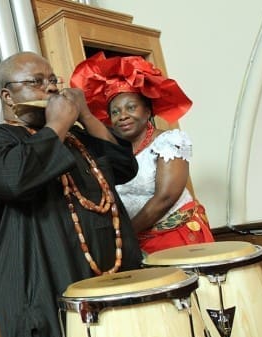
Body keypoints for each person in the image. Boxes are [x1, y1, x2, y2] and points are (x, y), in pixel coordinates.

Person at [0, 51, 142, 337]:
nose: (49, 89)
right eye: (36, 81)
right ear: (7, 95)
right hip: (41, 291)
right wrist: (59, 124)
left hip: (99, 284)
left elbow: (124, 167)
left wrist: (87, 115)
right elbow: (16, 177)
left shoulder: (74, 137)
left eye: (53, 81)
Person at [70, 52, 214, 255]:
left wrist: (124, 235)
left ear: (147, 112)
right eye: (115, 112)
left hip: (175, 238)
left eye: (131, 107)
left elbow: (165, 197)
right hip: (138, 243)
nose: (123, 116)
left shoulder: (168, 141)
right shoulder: (116, 155)